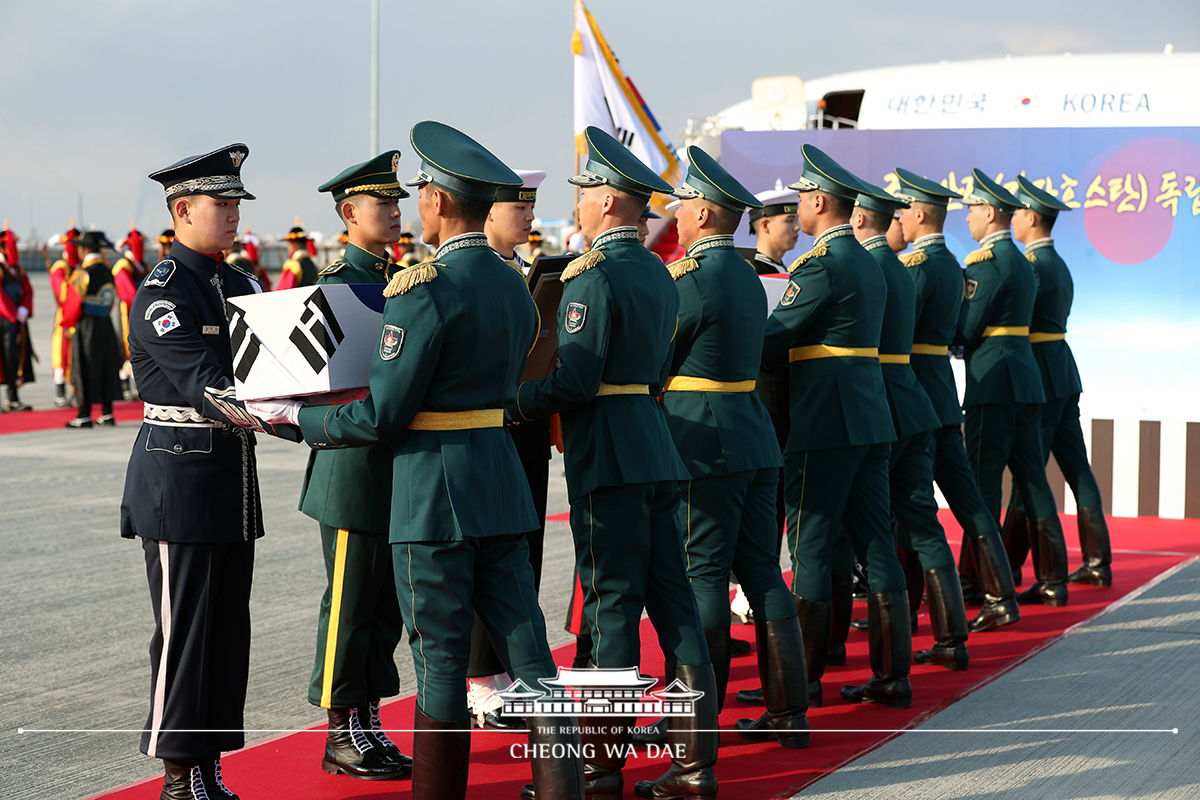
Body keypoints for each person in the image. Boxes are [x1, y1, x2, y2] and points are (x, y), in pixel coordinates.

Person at [251, 122, 583, 800]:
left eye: (417, 195)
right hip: (499, 479)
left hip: (432, 491)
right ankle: (562, 789)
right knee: (532, 651)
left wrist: (292, 418)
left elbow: (382, 413)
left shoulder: (422, 288)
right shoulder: (511, 281)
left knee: (436, 660)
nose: (410, 207)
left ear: (436, 202)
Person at [511, 126, 717, 799]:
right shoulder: (659, 271)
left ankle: (600, 766)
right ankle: (694, 767)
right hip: (653, 438)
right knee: (677, 605)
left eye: (582, 194)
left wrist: (515, 401)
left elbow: (574, 382)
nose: (576, 206)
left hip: (609, 450)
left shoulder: (592, 278)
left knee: (611, 609)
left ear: (604, 202)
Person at [121, 143, 296, 800]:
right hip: (179, 484)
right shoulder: (162, 296)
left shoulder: (242, 284)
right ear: (183, 208)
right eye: (221, 205)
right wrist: (305, 424)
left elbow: (277, 371)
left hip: (230, 481)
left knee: (225, 632)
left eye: (236, 204)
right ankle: (176, 774)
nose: (233, 216)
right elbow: (208, 388)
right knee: (183, 633)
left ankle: (209, 764)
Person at [656, 145, 809, 750]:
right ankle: (789, 712)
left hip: (704, 438)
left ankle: (697, 723)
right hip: (752, 432)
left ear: (701, 213)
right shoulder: (748, 276)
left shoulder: (693, 277)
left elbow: (658, 355)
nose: (678, 215)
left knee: (704, 575)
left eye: (684, 204)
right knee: (763, 571)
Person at [761, 144, 911, 709]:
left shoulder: (821, 265)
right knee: (875, 542)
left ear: (819, 200)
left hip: (827, 419)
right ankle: (892, 677)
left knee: (811, 546)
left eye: (801, 197)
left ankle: (799, 687)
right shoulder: (868, 264)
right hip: (871, 414)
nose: (798, 208)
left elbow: (776, 339)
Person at [292, 151, 414, 780]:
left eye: (397, 202)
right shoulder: (336, 288)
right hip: (349, 467)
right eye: (382, 204)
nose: (396, 212)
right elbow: (313, 385)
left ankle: (367, 721)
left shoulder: (396, 279)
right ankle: (340, 728)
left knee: (382, 603)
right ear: (349, 214)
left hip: (390, 465)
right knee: (347, 602)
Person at [893, 167, 1020, 632]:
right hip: (942, 391)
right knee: (967, 500)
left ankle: (908, 607)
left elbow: (898, 332)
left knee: (911, 506)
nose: (899, 217)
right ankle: (1000, 595)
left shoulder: (917, 267)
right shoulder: (950, 263)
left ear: (921, 213)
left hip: (915, 390)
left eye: (904, 208)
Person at [852, 183, 969, 669]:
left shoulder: (873, 268)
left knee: (871, 532)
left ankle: (881, 664)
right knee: (921, 523)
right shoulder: (900, 269)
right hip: (915, 400)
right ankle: (952, 639)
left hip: (882, 405)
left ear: (858, 219)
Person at [463, 168, 551, 732]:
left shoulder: (529, 273)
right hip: (486, 425)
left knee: (527, 548)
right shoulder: (471, 275)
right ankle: (480, 681)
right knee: (486, 552)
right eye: (519, 208)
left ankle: (514, 668)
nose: (529, 217)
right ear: (488, 212)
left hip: (529, 423)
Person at [958, 168, 1068, 607]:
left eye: (970, 210)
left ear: (989, 212)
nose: (967, 218)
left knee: (982, 484)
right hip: (1025, 378)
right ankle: (1053, 580)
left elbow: (967, 326)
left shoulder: (985, 264)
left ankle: (979, 582)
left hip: (994, 382)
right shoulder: (1024, 262)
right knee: (1032, 481)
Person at [1011, 175, 1113, 588]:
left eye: (1017, 212)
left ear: (1033, 218)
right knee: (1077, 469)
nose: (1013, 218)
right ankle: (1097, 562)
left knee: (1028, 472)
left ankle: (1008, 564)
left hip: (1041, 372)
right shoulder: (1058, 264)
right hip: (1062, 371)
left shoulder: (1035, 267)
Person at [64, 231, 123, 427]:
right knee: (106, 365)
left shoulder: (83, 273)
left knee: (84, 366)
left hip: (87, 324)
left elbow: (72, 306)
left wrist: (67, 325)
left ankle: (84, 414)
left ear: (85, 249)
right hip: (105, 322)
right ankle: (107, 413)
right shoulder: (108, 271)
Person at [113, 225, 150, 401]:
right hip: (127, 311)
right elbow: (127, 292)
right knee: (127, 346)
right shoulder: (123, 266)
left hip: (143, 310)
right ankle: (125, 385)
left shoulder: (144, 266)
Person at [47, 225, 83, 407]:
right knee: (61, 353)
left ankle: (77, 390)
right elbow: (61, 290)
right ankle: (60, 392)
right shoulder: (60, 267)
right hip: (64, 316)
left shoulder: (80, 266)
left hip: (79, 316)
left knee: (76, 354)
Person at [0, 227, 34, 411]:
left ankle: (13, 397)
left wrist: (24, 309)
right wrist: (12, 313)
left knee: (14, 357)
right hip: (4, 319)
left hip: (15, 319)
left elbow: (27, 290)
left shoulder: (17, 270)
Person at [749, 188, 799, 275]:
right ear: (765, 226)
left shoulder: (781, 269)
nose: (797, 227)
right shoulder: (753, 272)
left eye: (796, 220)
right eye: (790, 220)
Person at [275, 224, 318, 291]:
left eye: (289, 244)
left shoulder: (293, 265)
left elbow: (282, 291)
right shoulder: (312, 264)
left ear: (294, 244)